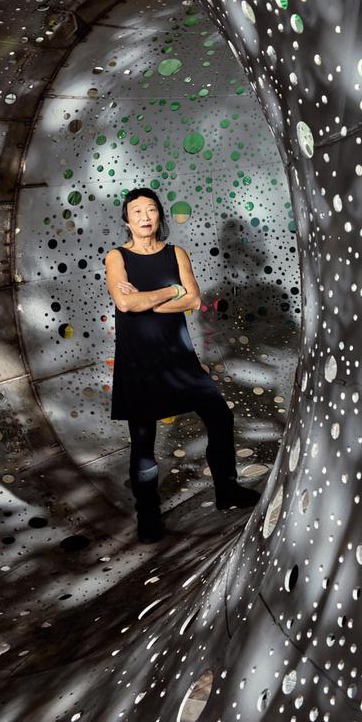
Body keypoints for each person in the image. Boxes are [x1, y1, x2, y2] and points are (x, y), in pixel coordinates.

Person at [105, 188, 260, 542]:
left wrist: (155, 299)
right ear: (126, 219)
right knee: (143, 440)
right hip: (139, 362)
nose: (145, 216)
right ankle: (148, 517)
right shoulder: (117, 257)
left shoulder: (176, 253)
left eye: (151, 209)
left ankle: (227, 490)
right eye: (137, 211)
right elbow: (125, 305)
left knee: (220, 416)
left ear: (159, 215)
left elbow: (193, 298)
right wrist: (169, 292)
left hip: (179, 357)